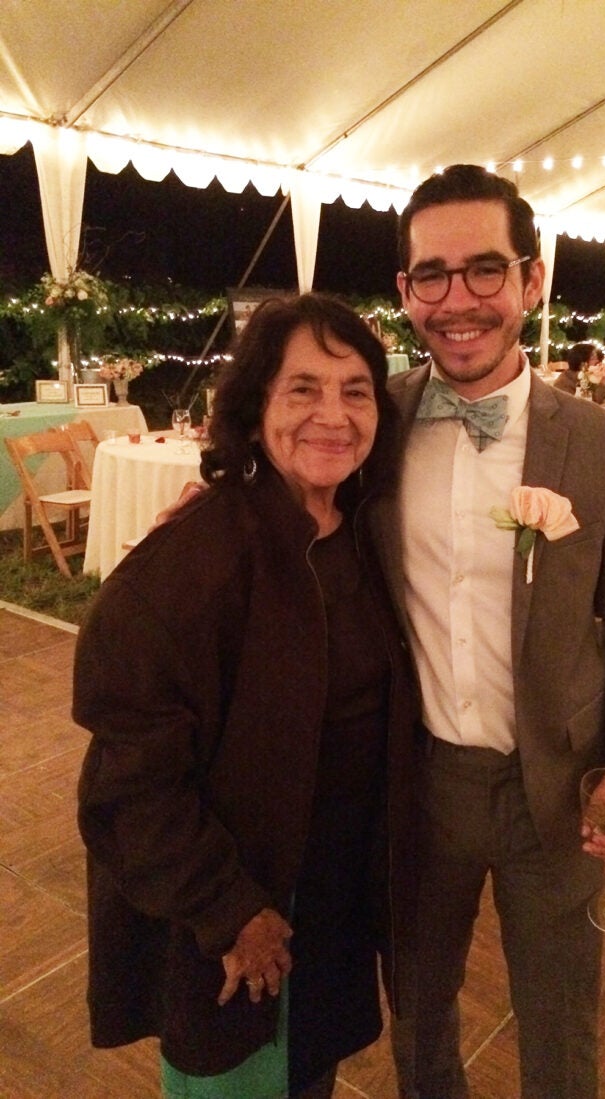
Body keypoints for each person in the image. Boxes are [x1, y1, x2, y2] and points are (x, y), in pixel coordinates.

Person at [73, 293, 420, 1099]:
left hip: (331, 895)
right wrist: (231, 910)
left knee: (308, 1079)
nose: (332, 414)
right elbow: (130, 781)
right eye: (302, 388)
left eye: (356, 389)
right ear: (255, 402)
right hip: (240, 910)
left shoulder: (358, 529)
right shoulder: (196, 557)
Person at [380, 164, 605, 1099]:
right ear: (404, 291)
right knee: (418, 1010)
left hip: (557, 788)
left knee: (559, 1022)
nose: (458, 300)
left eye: (485, 270)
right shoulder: (371, 425)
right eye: (433, 274)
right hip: (417, 783)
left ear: (532, 280)